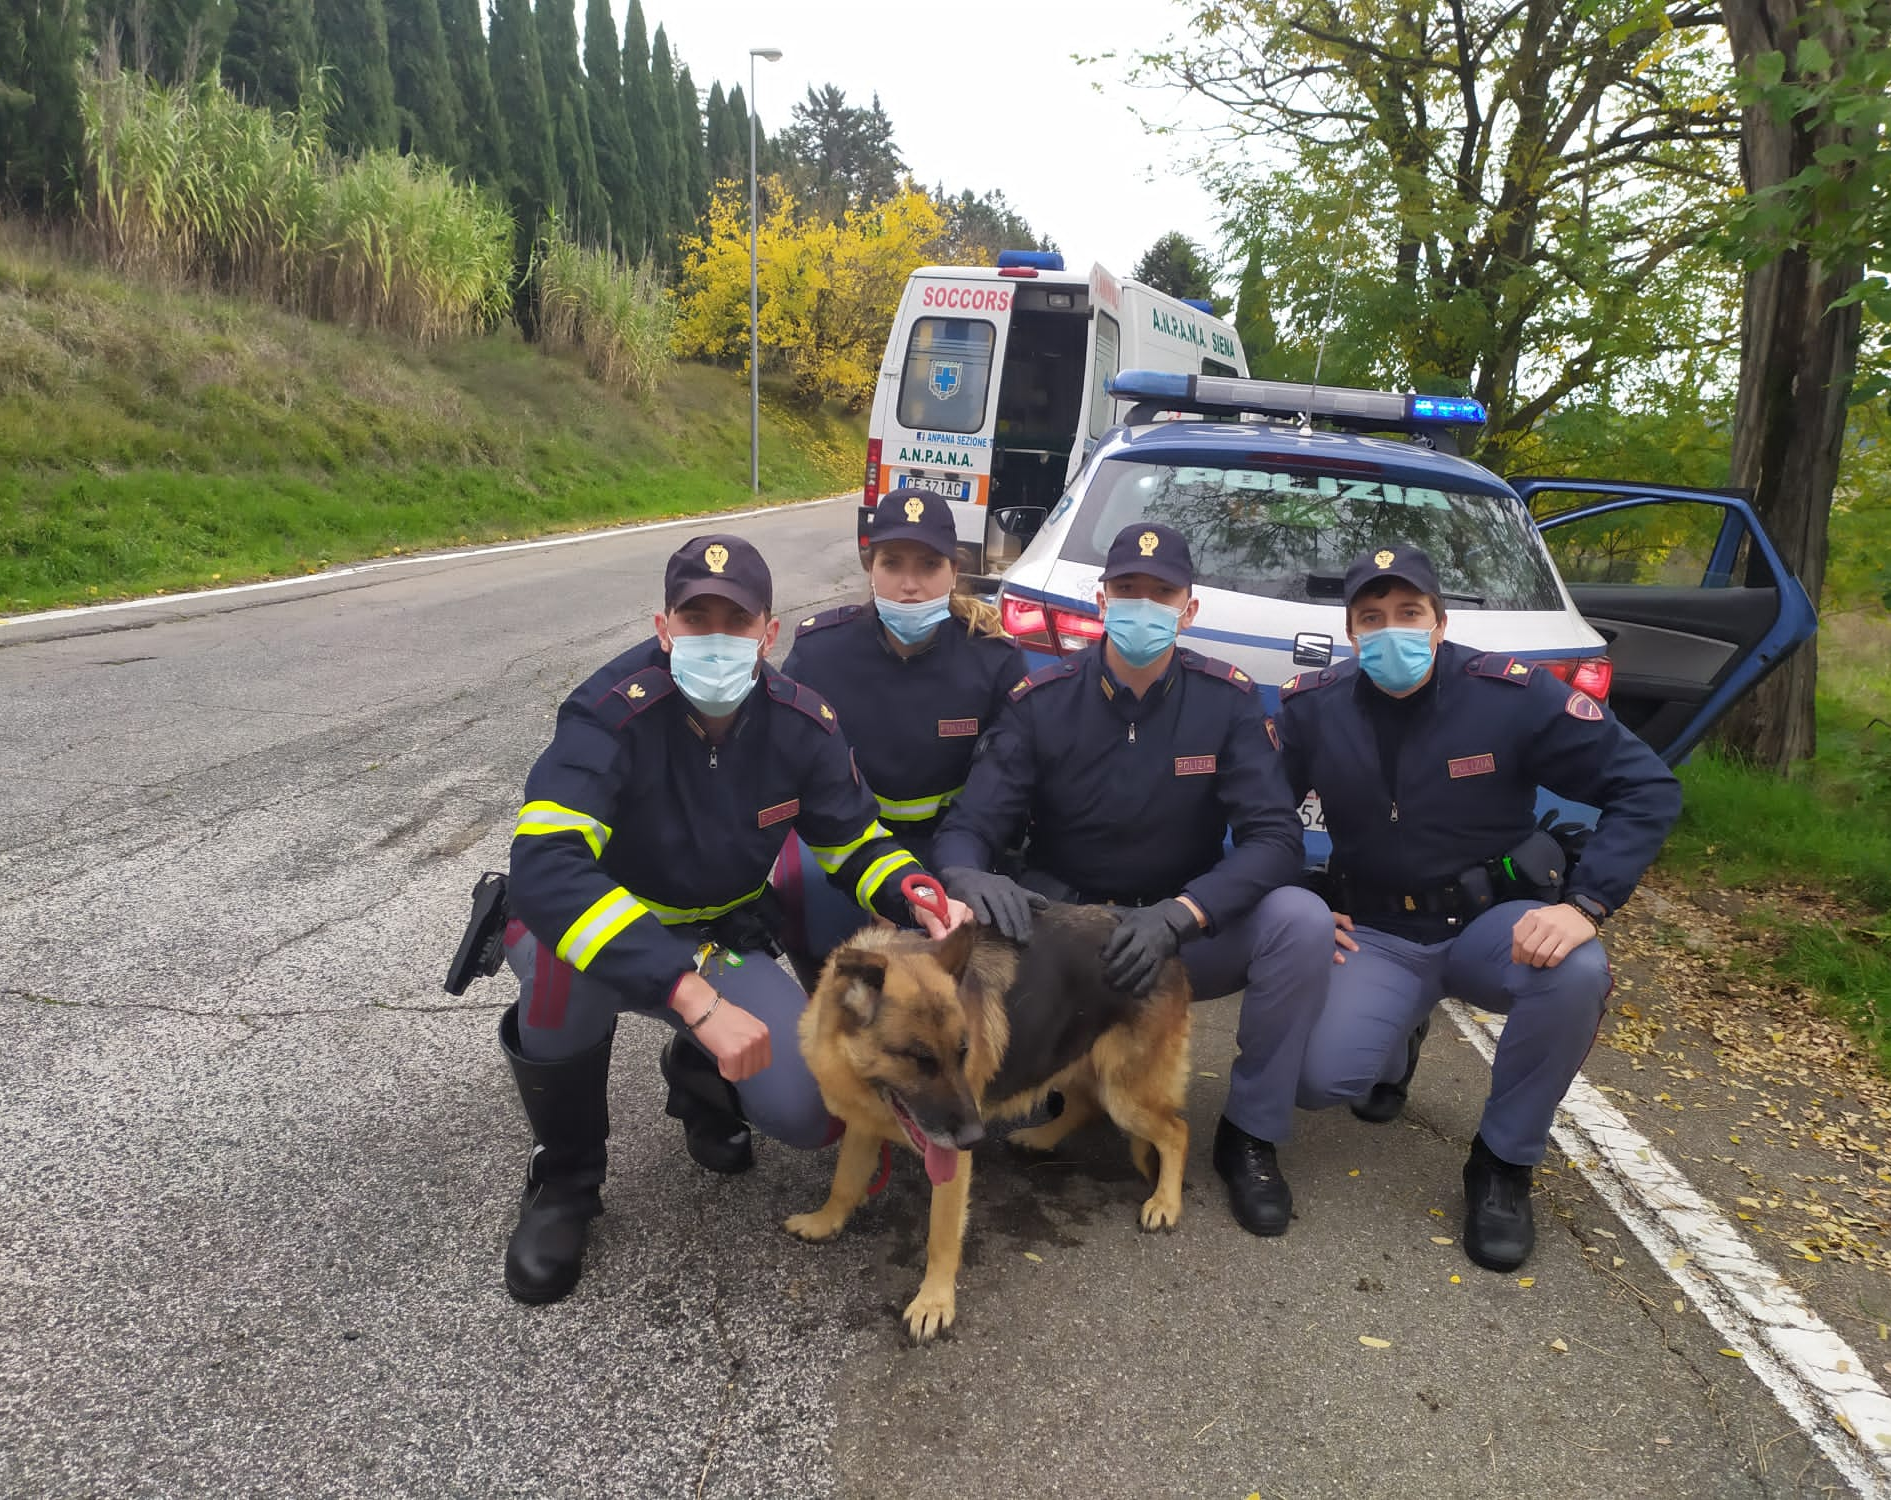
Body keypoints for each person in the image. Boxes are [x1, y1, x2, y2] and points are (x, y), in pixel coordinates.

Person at [498, 532, 968, 1305]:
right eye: (696, 617)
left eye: (736, 621)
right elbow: (548, 868)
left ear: (768, 633)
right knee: (560, 971)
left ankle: (701, 1077)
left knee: (815, 1109)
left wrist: (918, 892)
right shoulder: (605, 714)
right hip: (607, 933)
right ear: (663, 628)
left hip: (714, 935)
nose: (716, 638)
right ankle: (566, 1183)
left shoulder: (801, 723)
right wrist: (693, 998)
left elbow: (853, 841)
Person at [1275, 544, 1682, 1272]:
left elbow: (1646, 787)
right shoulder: (1315, 707)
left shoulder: (1511, 695)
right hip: (1379, 929)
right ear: (1350, 630)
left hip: (1495, 924)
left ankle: (1502, 1165)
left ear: (1439, 622)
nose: (1391, 629)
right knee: (1312, 1080)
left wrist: (1585, 905)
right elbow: (1264, 813)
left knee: (1576, 973)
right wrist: (1298, 891)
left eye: (1409, 613)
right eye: (1372, 617)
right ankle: (1399, 1036)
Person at [933, 521, 1338, 1238]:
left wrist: (1183, 913)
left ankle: (1250, 1136)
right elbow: (971, 822)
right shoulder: (1043, 699)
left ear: (1188, 610)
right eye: (1127, 590)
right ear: (1101, 599)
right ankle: (1054, 1087)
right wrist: (966, 874)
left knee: (1300, 923)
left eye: (1161, 593)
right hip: (1064, 932)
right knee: (954, 926)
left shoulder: (1228, 701)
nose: (1142, 605)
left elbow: (1275, 837)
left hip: (1178, 926)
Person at [778, 486, 1025, 959]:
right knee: (811, 906)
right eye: (892, 564)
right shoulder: (820, 654)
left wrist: (953, 873)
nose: (910, 585)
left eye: (929, 565)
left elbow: (996, 791)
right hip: (844, 841)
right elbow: (792, 772)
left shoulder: (994, 661)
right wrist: (877, 885)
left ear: (955, 571)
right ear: (871, 569)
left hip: (950, 840)